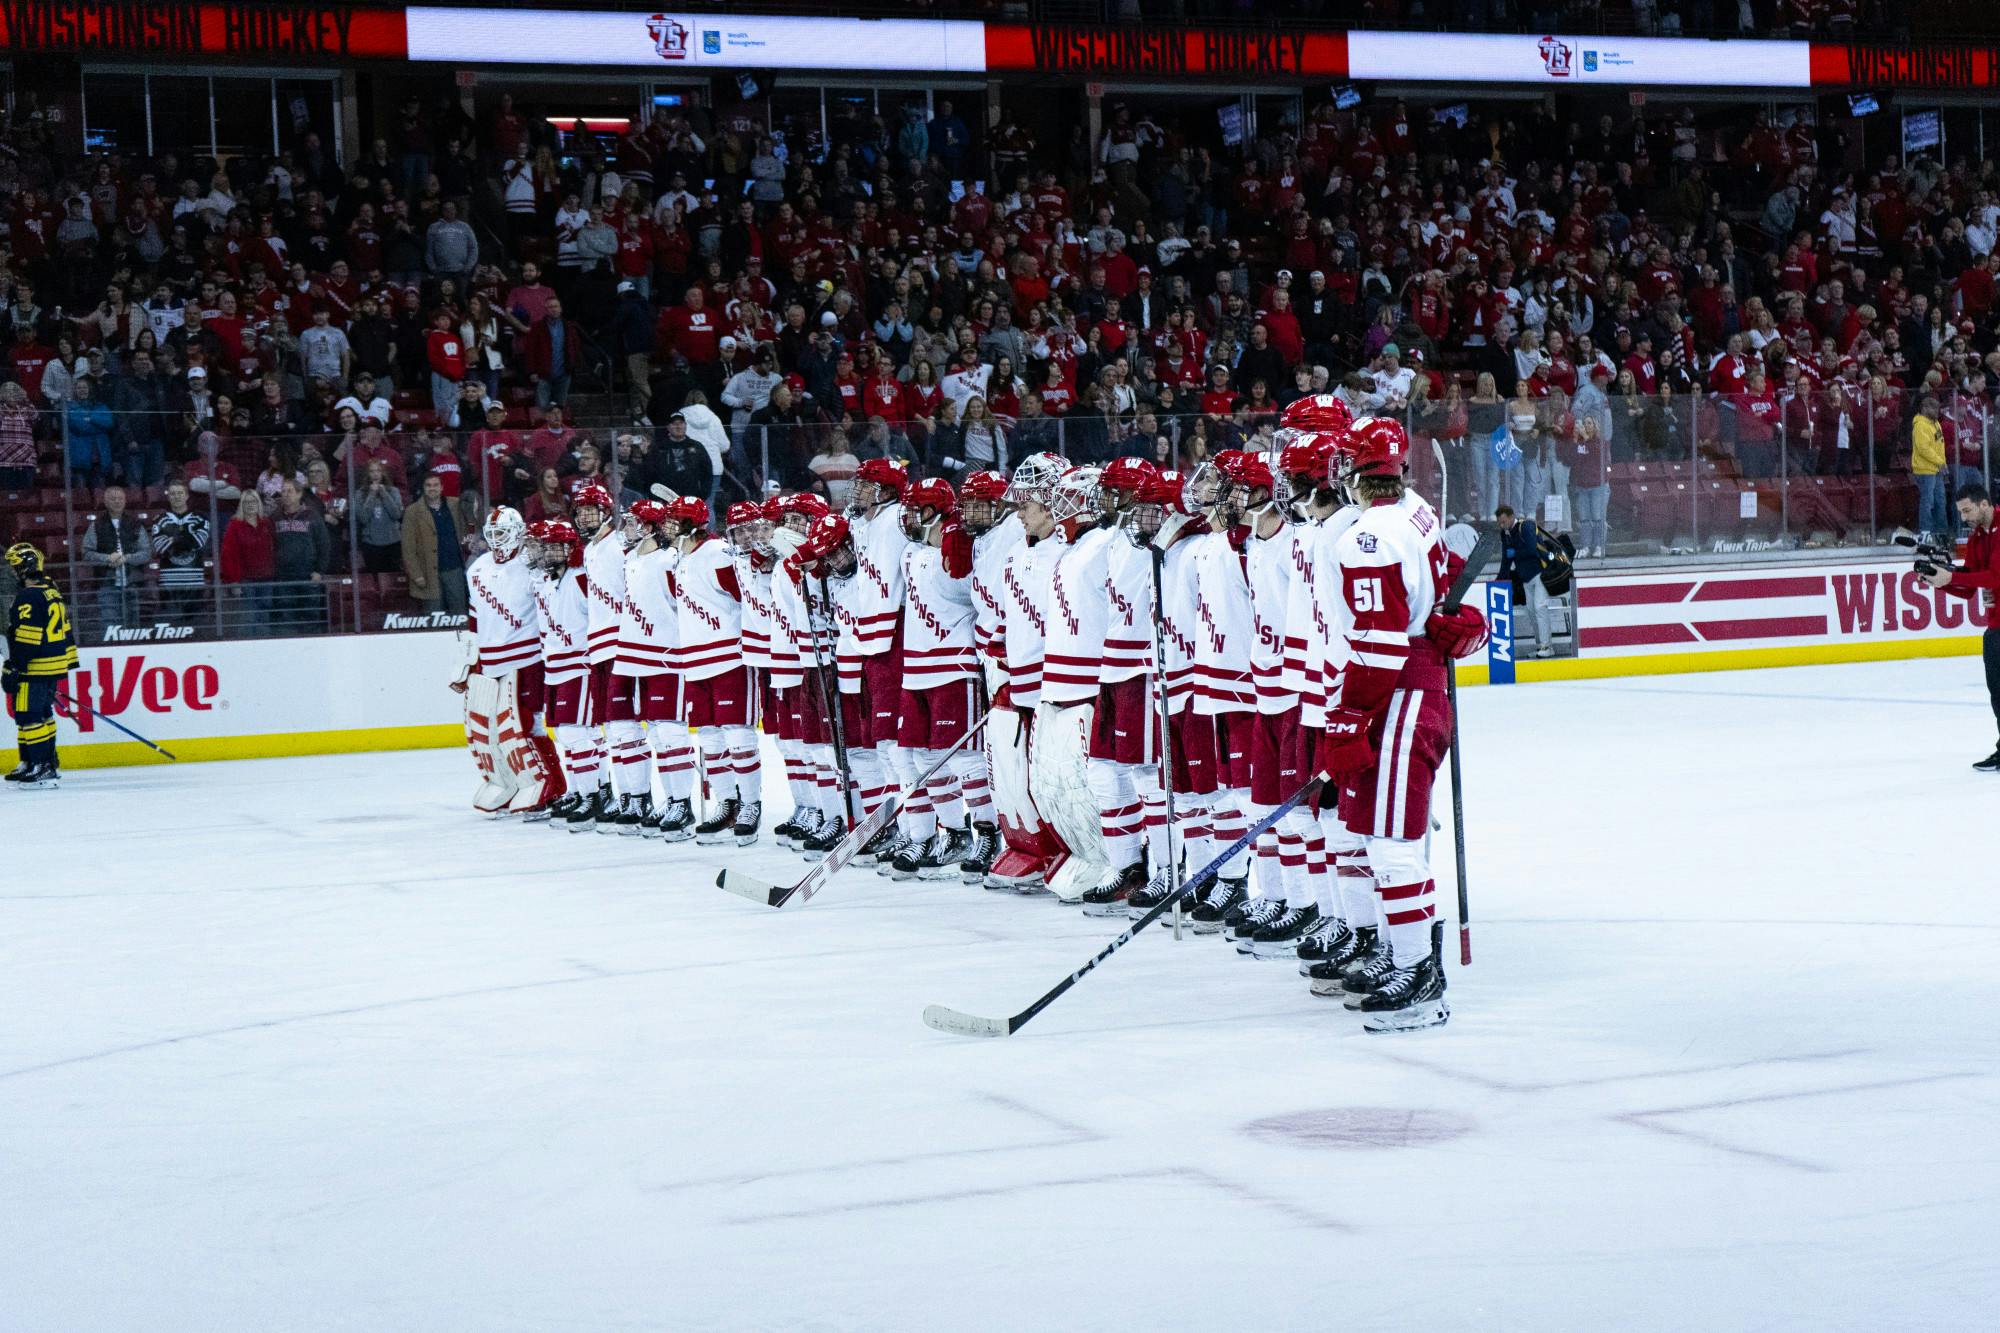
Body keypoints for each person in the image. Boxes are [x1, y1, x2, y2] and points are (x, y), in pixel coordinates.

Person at [1924, 483, 2000, 771]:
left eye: (1967, 510)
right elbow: (1970, 588)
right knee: (1998, 694)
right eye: (1960, 511)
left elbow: (1994, 577)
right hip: (1995, 626)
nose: (1964, 517)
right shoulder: (1977, 538)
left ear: (1984, 505)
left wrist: (1952, 576)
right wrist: (1940, 582)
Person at [4, 542, 78, 788]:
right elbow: (66, 630)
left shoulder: (29, 596)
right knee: (43, 714)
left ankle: (40, 764)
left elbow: (27, 638)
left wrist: (13, 666)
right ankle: (38, 762)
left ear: (24, 568)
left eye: (15, 567)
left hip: (35, 667)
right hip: (53, 665)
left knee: (27, 715)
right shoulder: (51, 591)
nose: (13, 573)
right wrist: (69, 661)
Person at [81, 485, 148, 638]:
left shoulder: (135, 524)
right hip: (107, 583)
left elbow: (146, 553)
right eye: (113, 498)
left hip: (133, 582)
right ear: (105, 501)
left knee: (134, 627)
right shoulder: (96, 525)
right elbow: (86, 553)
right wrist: (106, 558)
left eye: (120, 498)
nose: (117, 502)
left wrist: (127, 558)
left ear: (125, 501)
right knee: (110, 627)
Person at [1496, 503, 1556, 658]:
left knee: (1539, 608)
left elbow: (1531, 549)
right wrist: (1499, 580)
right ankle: (1541, 645)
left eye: (1504, 522)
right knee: (1531, 611)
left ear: (1511, 517)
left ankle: (1547, 646)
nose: (1502, 526)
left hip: (1540, 574)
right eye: (1500, 523)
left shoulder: (1526, 526)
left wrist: (1514, 552)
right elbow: (1506, 560)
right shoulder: (1506, 534)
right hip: (1525, 578)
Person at [402, 473, 468, 615]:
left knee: (460, 614)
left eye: (435, 485)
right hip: (428, 571)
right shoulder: (412, 511)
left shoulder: (455, 504)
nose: (432, 488)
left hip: (454, 567)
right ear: (423, 488)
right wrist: (416, 574)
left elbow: (474, 514)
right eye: (428, 485)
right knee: (433, 616)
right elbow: (408, 548)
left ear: (442, 487)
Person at [270, 479, 331, 633]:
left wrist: (319, 571)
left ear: (299, 494)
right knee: (286, 619)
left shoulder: (312, 516)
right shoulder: (275, 517)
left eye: (289, 491)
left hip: (308, 574)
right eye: (283, 491)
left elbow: (324, 545)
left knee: (310, 618)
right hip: (284, 576)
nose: (285, 494)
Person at [150, 480, 211, 626]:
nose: (176, 496)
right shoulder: (159, 520)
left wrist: (173, 539)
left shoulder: (201, 519)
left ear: (187, 496)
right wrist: (185, 540)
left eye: (180, 493)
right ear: (168, 497)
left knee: (195, 629)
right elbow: (161, 547)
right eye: (173, 493)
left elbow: (197, 543)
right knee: (172, 629)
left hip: (194, 583)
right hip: (169, 585)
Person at [218, 489, 275, 635]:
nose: (251, 505)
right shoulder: (235, 526)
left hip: (266, 578)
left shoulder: (266, 524)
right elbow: (228, 555)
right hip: (245, 580)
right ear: (241, 505)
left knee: (265, 616)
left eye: (254, 501)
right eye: (247, 502)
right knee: (248, 617)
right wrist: (234, 582)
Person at [354, 459, 406, 574]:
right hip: (371, 544)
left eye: (378, 470)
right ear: (367, 474)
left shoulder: (393, 491)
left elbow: (397, 514)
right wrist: (372, 495)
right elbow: (363, 518)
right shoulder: (360, 494)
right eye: (372, 471)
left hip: (393, 542)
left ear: (383, 473)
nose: (375, 474)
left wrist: (384, 494)